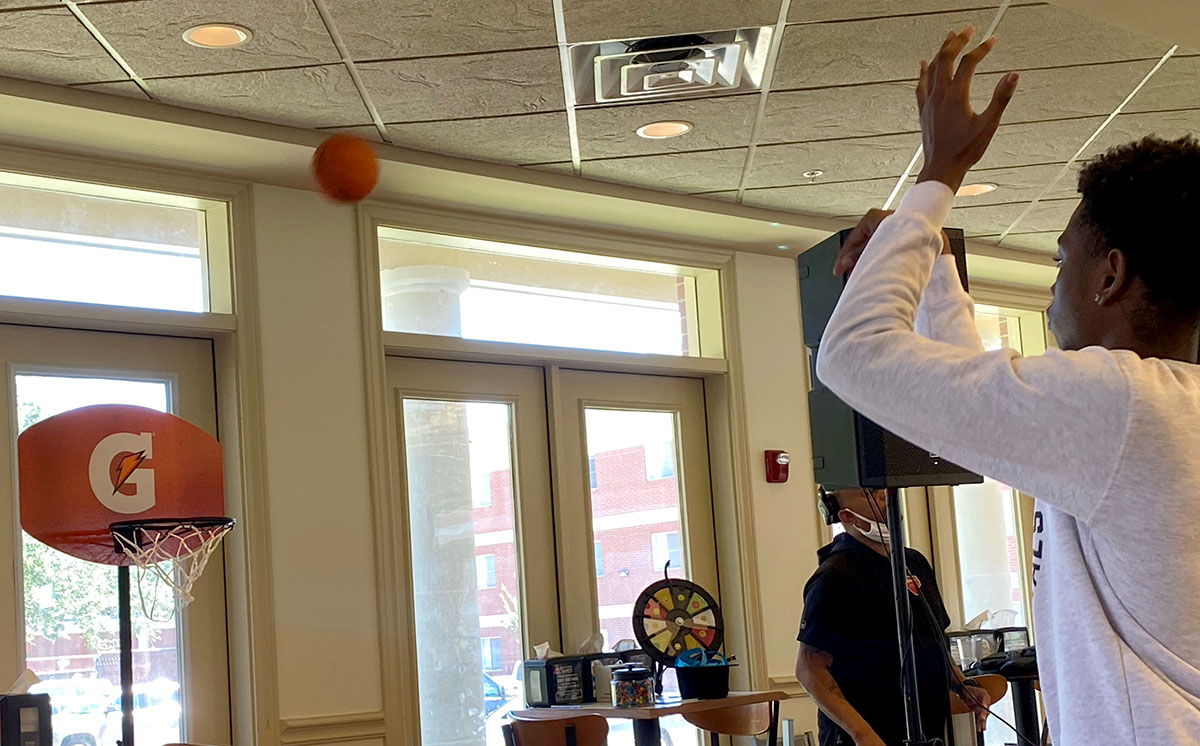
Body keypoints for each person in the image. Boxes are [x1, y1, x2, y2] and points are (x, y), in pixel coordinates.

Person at [815, 25, 1200, 746]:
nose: (1053, 289)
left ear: (1109, 275)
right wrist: (917, 244)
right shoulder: (1154, 411)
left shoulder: (1119, 404)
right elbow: (969, 395)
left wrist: (938, 178)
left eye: (1062, 264)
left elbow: (853, 353)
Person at [795, 487, 989, 746]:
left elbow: (932, 639)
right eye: (870, 494)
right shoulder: (836, 576)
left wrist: (963, 685)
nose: (884, 496)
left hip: (925, 730)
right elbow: (809, 669)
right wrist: (862, 735)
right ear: (848, 517)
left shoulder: (914, 562)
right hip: (868, 735)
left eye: (883, 489)